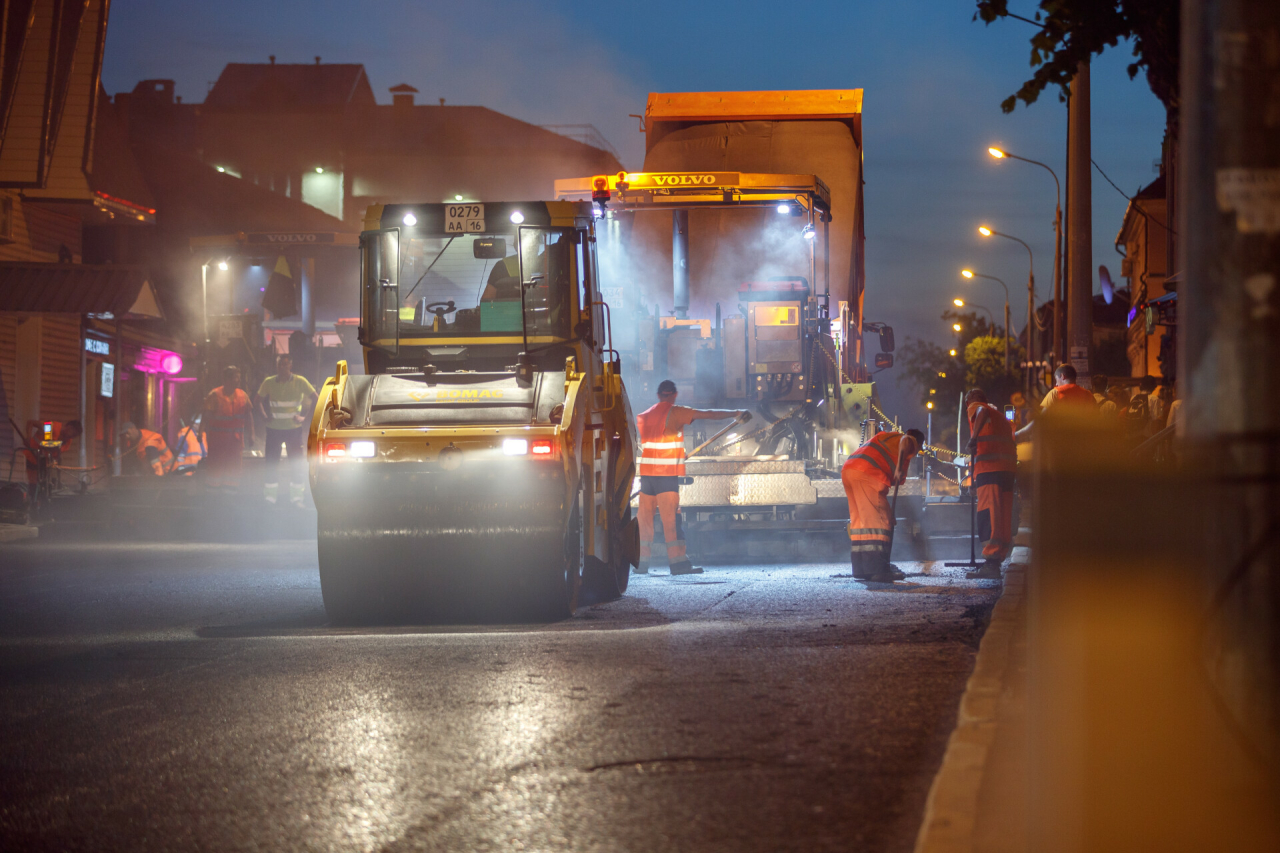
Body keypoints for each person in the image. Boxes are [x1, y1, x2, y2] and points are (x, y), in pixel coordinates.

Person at [635, 379, 747, 575]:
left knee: (644, 521)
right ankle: (678, 564)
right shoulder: (676, 411)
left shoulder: (645, 415)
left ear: (658, 395)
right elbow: (708, 414)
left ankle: (641, 564)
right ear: (674, 394)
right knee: (671, 521)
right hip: (666, 475)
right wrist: (736, 413)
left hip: (647, 477)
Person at [841, 426, 924, 583]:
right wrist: (899, 468)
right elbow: (907, 440)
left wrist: (889, 512)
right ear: (919, 444)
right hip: (867, 473)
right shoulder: (909, 439)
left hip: (850, 470)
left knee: (861, 524)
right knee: (879, 523)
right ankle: (879, 569)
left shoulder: (888, 438)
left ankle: (862, 569)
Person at [963, 390, 1016, 579]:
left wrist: (973, 437)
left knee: (988, 513)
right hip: (1007, 469)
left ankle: (991, 561)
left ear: (968, 401)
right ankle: (998, 558)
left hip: (990, 469)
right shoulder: (1000, 416)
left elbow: (980, 413)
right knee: (1002, 514)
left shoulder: (977, 408)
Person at [256, 353, 318, 506]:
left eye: (285, 364)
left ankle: (296, 498)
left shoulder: (300, 381)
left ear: (290, 365)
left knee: (296, 465)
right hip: (273, 430)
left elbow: (316, 397)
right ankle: (270, 498)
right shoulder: (269, 382)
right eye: (280, 364)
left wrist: (305, 418)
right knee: (271, 464)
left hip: (293, 431)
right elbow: (257, 401)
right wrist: (264, 416)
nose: (282, 367)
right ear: (276, 366)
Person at [201, 365, 255, 489]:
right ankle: (213, 498)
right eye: (236, 378)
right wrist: (200, 432)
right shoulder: (215, 395)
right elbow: (206, 415)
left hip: (235, 442)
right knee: (215, 470)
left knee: (234, 471)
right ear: (227, 379)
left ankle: (230, 498)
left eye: (239, 377)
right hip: (217, 442)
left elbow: (249, 415)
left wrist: (252, 434)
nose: (239, 380)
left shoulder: (242, 395)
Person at [1014, 363, 1095, 440]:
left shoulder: (1056, 393)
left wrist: (1018, 434)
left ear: (1062, 376)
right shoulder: (1088, 394)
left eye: (1056, 379)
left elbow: (1041, 421)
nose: (1056, 384)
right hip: (1084, 442)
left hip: (1061, 442)